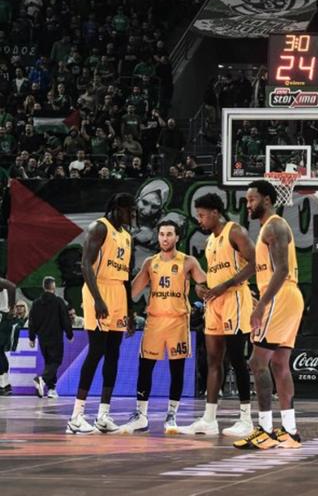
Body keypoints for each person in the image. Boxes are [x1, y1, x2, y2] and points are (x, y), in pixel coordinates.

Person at [232, 181, 305, 450]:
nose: (248, 205)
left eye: (252, 200)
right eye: (247, 200)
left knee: (257, 361)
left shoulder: (274, 226)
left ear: (267, 199)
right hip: (287, 297)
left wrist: (262, 303)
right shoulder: (271, 228)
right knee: (279, 363)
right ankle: (290, 431)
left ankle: (264, 430)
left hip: (280, 296)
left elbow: (281, 269)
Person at [118, 221, 207, 434]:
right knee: (145, 367)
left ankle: (172, 415)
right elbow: (132, 291)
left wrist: (205, 291)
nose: (165, 238)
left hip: (178, 321)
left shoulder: (188, 261)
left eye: (169, 234)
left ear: (177, 237)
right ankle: (141, 416)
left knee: (177, 369)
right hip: (155, 321)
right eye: (162, 234)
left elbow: (205, 284)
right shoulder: (150, 263)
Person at [180, 193, 255, 437]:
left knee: (237, 359)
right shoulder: (210, 240)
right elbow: (212, 274)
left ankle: (246, 419)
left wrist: (226, 284)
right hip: (214, 302)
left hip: (234, 299)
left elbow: (255, 263)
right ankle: (209, 419)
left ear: (215, 212)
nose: (199, 220)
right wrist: (201, 287)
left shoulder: (236, 232)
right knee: (213, 360)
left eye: (202, 215)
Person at [67, 193, 135, 435]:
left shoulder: (127, 236)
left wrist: (130, 310)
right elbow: (85, 264)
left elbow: (127, 277)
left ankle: (103, 415)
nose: (132, 215)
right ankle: (76, 416)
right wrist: (97, 299)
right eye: (129, 210)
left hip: (118, 292)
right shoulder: (99, 227)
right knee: (96, 351)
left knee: (114, 354)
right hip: (98, 288)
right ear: (117, 208)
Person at [28, 277, 73, 398]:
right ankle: (42, 379)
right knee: (56, 361)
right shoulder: (58, 302)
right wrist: (69, 334)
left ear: (44, 287)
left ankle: (52, 389)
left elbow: (31, 321)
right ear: (53, 287)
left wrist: (31, 337)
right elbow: (65, 319)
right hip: (56, 337)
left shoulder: (36, 303)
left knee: (49, 363)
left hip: (42, 338)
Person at [1, 302, 25, 395]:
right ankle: (5, 384)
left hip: (3, 340)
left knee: (2, 359)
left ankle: (4, 385)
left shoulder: (12, 320)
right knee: (2, 358)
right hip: (3, 340)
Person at [0, 276, 18, 394]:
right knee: (0, 351)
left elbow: (12, 286)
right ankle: (5, 383)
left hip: (2, 317)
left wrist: (12, 308)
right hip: (4, 318)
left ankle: (2, 384)